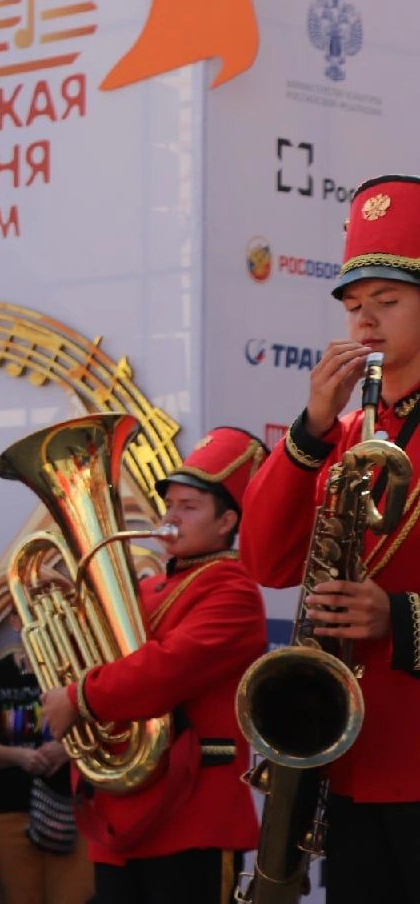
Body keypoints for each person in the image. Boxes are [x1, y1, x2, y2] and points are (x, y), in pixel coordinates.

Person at [240, 174, 420, 903]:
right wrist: (311, 431)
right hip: (346, 755)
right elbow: (266, 558)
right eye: (353, 306)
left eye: (388, 302)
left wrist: (399, 616)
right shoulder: (341, 433)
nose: (364, 321)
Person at [42, 427, 268, 903]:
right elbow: (103, 660)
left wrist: (79, 697)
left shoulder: (234, 590)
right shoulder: (144, 591)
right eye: (169, 506)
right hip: (122, 813)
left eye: (189, 507)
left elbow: (166, 670)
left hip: (191, 814)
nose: (170, 518)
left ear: (227, 521)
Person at [0, 605, 91, 904]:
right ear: (14, 621)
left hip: (74, 809)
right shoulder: (1, 673)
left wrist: (68, 750)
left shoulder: (81, 669)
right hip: (11, 808)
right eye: (29, 614)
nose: (41, 623)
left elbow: (109, 734)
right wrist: (21, 757)